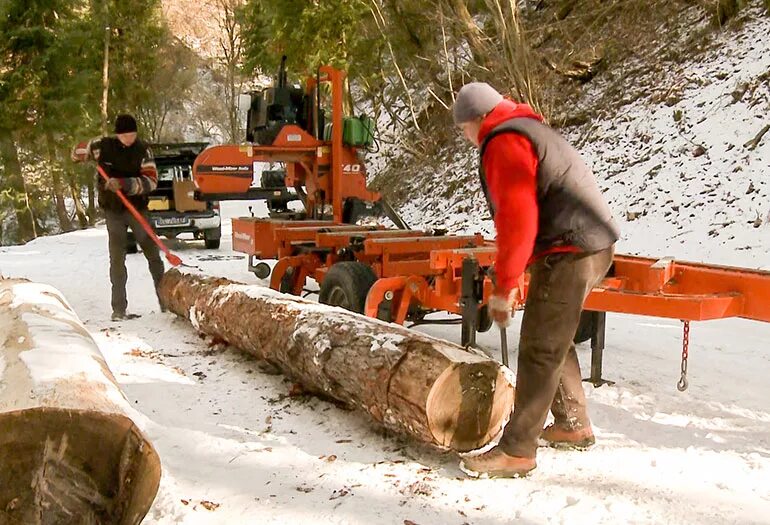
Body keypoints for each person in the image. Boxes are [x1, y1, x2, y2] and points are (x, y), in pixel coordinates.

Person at [453, 83, 620, 478]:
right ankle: (571, 424)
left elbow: (518, 218)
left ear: (476, 119)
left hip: (571, 247)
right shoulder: (526, 127)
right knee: (552, 334)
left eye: (463, 130)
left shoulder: (504, 141)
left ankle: (517, 450)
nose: (466, 138)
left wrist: (505, 283)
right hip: (588, 242)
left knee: (539, 348)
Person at [72, 114, 165, 321]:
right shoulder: (103, 146)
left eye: (132, 135)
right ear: (117, 134)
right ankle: (119, 309)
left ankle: (166, 304)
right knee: (117, 259)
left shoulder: (143, 150)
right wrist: (83, 152)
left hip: (136, 208)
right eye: (124, 136)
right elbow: (76, 152)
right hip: (113, 210)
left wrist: (124, 184)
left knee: (153, 255)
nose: (129, 139)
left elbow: (151, 182)